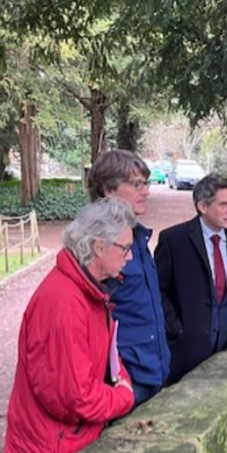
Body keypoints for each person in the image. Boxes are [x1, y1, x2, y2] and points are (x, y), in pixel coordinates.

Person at [2, 198, 137, 453]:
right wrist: (123, 397)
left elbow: (106, 357)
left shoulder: (89, 289)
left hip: (66, 446)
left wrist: (120, 382)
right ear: (99, 247)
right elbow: (75, 398)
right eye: (125, 248)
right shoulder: (64, 303)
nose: (129, 257)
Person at [86, 149, 170, 406]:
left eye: (145, 183)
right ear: (108, 190)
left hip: (152, 372)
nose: (146, 191)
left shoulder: (135, 236)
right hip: (124, 380)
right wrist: (118, 375)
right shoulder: (98, 243)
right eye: (136, 184)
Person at [155, 174, 227, 383]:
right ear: (202, 206)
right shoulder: (174, 240)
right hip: (188, 353)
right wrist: (177, 328)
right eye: (223, 205)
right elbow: (159, 290)